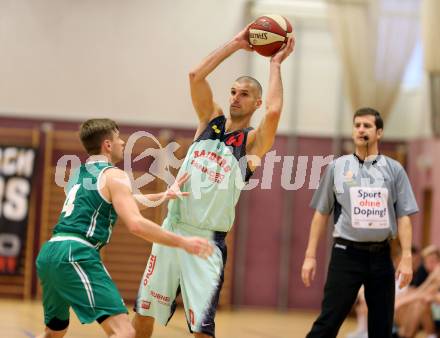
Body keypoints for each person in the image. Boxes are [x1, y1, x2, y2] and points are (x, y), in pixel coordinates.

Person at [132, 25, 294, 338]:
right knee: (142, 314)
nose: (235, 98)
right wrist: (236, 43)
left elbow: (274, 113)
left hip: (208, 241)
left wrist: (274, 65)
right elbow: (195, 76)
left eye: (244, 94)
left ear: (256, 103)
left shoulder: (251, 144)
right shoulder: (210, 121)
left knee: (202, 332)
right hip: (171, 229)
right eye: (233, 91)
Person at [35, 118, 213, 338]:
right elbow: (136, 224)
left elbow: (116, 200)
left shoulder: (78, 176)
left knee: (54, 332)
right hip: (76, 254)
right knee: (125, 332)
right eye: (118, 138)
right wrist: (184, 242)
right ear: (107, 145)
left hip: (49, 254)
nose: (122, 143)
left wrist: (163, 195)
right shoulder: (115, 175)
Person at [301, 107, 419, 338]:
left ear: (379, 133)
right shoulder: (337, 168)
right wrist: (310, 256)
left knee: (381, 328)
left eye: (367, 126)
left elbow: (404, 215)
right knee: (328, 323)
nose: (361, 130)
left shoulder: (394, 170)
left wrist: (406, 257)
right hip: (346, 254)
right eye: (357, 125)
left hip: (381, 256)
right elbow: (321, 214)